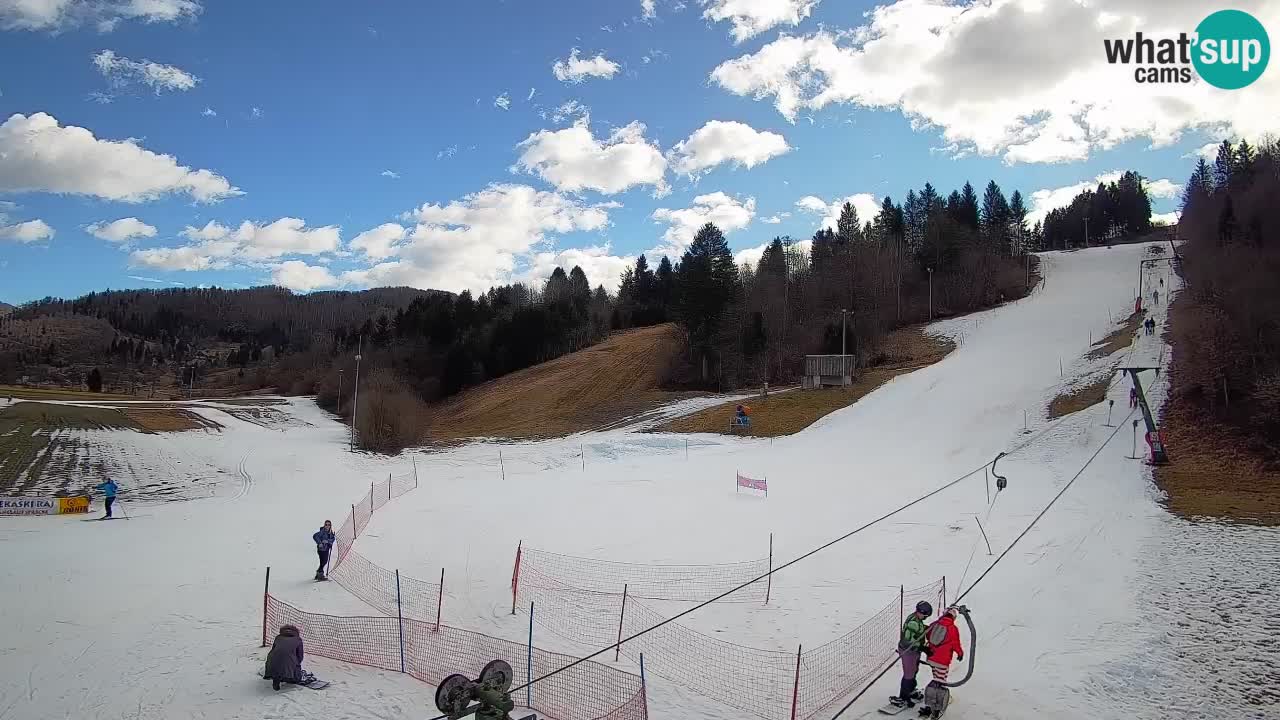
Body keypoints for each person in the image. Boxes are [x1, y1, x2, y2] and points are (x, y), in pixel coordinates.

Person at [920, 608, 965, 717]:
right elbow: (956, 643)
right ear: (953, 617)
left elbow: (927, 634)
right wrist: (960, 653)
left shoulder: (935, 623)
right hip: (943, 661)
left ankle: (930, 702)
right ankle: (935, 708)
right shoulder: (953, 628)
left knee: (936, 678)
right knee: (940, 681)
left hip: (931, 658)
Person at [889, 600, 932, 708]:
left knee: (914, 671)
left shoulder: (916, 619)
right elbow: (908, 641)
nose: (925, 618)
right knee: (909, 674)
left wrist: (927, 628)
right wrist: (922, 647)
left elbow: (919, 629)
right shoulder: (913, 623)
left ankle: (911, 690)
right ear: (921, 612)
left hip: (915, 651)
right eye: (925, 615)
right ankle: (903, 697)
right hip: (908, 651)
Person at [263, 624, 311, 691]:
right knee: (293, 672)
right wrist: (296, 665)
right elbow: (300, 656)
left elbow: (273, 650)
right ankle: (289, 678)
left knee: (277, 665)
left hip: (272, 660)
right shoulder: (298, 640)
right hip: (288, 661)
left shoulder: (278, 637)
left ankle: (273, 676)